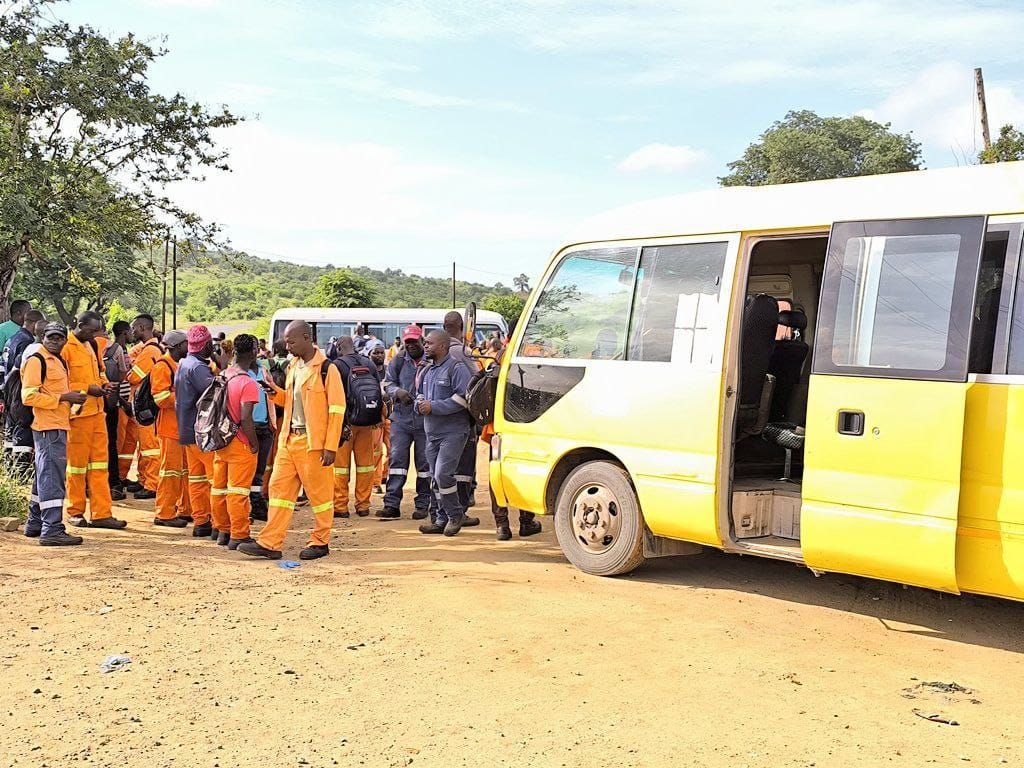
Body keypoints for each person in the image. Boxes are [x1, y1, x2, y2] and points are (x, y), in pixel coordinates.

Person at [239, 320, 345, 561]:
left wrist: (330, 446)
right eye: (286, 341)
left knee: (319, 495)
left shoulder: (327, 368)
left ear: (307, 338)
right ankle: (270, 543)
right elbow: (293, 402)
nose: (287, 346)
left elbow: (337, 410)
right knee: (279, 491)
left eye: (291, 341)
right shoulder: (293, 366)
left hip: (313, 443)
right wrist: (274, 393)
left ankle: (320, 542)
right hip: (289, 440)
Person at [21, 322, 88, 546]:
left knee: (43, 475)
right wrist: (64, 398)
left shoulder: (57, 360)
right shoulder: (37, 360)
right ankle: (52, 529)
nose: (56, 341)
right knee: (52, 478)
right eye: (51, 337)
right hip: (47, 426)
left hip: (57, 424)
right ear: (42, 337)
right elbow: (28, 397)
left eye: (60, 338)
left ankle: (36, 522)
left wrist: (70, 401)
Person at [62, 311, 125, 530]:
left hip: (98, 414)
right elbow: (61, 382)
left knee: (100, 465)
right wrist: (89, 389)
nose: (95, 335)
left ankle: (101, 513)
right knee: (77, 467)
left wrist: (104, 384)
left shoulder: (92, 346)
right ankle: (75, 511)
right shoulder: (65, 348)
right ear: (79, 325)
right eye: (91, 330)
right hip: (78, 416)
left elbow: (100, 371)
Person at [416, 329, 475, 536]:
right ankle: (441, 518)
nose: (425, 346)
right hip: (431, 433)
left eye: (429, 343)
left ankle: (455, 514)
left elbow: (463, 398)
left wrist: (434, 407)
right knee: (435, 477)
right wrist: (420, 405)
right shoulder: (428, 371)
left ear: (442, 346)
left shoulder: (456, 368)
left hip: (453, 432)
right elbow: (420, 396)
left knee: (443, 474)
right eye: (425, 343)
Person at [210, 334, 261, 549]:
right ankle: (239, 535)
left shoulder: (223, 375)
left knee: (219, 488)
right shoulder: (247, 382)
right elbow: (245, 418)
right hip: (240, 442)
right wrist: (254, 442)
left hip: (221, 441)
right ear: (253, 352)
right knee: (239, 491)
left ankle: (223, 530)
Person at [381, 325, 433, 519]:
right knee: (397, 461)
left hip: (424, 422)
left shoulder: (431, 360)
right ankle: (392, 504)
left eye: (414, 341)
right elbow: (387, 383)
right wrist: (398, 392)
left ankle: (423, 504)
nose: (411, 345)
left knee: (425, 464)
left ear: (422, 340)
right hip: (401, 420)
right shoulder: (398, 360)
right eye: (408, 342)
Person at [331, 336, 380, 518]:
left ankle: (341, 507)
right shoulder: (369, 364)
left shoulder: (336, 365)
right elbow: (377, 394)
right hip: (367, 422)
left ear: (338, 347)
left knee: (341, 468)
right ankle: (363, 505)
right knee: (366, 466)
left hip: (345, 424)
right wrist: (376, 417)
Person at [175, 325, 217, 538]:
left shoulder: (184, 364)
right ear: (207, 344)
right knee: (214, 480)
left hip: (187, 431)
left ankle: (201, 521)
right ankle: (219, 523)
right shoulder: (198, 368)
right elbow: (216, 394)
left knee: (197, 479)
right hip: (203, 432)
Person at [151, 330, 192, 529]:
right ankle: (164, 513)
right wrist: (186, 397)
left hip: (181, 428)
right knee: (170, 472)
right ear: (177, 346)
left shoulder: (180, 364)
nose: (189, 347)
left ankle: (185, 509)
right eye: (186, 344)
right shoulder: (162, 366)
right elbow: (160, 398)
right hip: (169, 429)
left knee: (184, 472)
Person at [443, 310, 480, 525]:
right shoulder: (463, 353)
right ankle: (460, 512)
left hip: (437, 420)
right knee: (463, 469)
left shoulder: (436, 349)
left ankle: (442, 513)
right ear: (462, 326)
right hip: (461, 419)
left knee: (442, 468)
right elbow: (473, 386)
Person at [124, 314, 163, 499]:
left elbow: (133, 377)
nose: (132, 332)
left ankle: (152, 484)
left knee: (150, 447)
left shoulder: (150, 351)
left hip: (147, 406)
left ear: (141, 328)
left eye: (134, 328)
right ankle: (144, 479)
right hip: (143, 404)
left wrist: (129, 369)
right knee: (144, 446)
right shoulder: (148, 349)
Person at [5, 309, 44, 469]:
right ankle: (21, 471)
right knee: (23, 431)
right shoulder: (29, 343)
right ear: (35, 325)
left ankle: (10, 468)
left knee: (12, 431)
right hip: (22, 391)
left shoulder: (14, 338)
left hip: (10, 390)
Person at [246, 342, 275, 522]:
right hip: (246, 428)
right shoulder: (235, 372)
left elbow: (273, 393)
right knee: (245, 470)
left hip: (265, 426)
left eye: (256, 348)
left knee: (260, 469)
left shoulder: (263, 370)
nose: (255, 352)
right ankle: (248, 506)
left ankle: (256, 504)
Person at [102, 321, 131, 500]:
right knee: (111, 442)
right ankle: (113, 481)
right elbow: (122, 375)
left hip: (86, 404)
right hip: (111, 402)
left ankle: (88, 484)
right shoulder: (116, 349)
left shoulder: (80, 347)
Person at [367, 340, 391, 495]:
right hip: (374, 417)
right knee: (375, 451)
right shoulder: (366, 371)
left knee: (392, 449)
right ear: (369, 354)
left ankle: (384, 475)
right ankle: (375, 482)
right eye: (375, 352)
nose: (379, 355)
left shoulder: (390, 371)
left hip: (390, 415)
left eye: (381, 352)